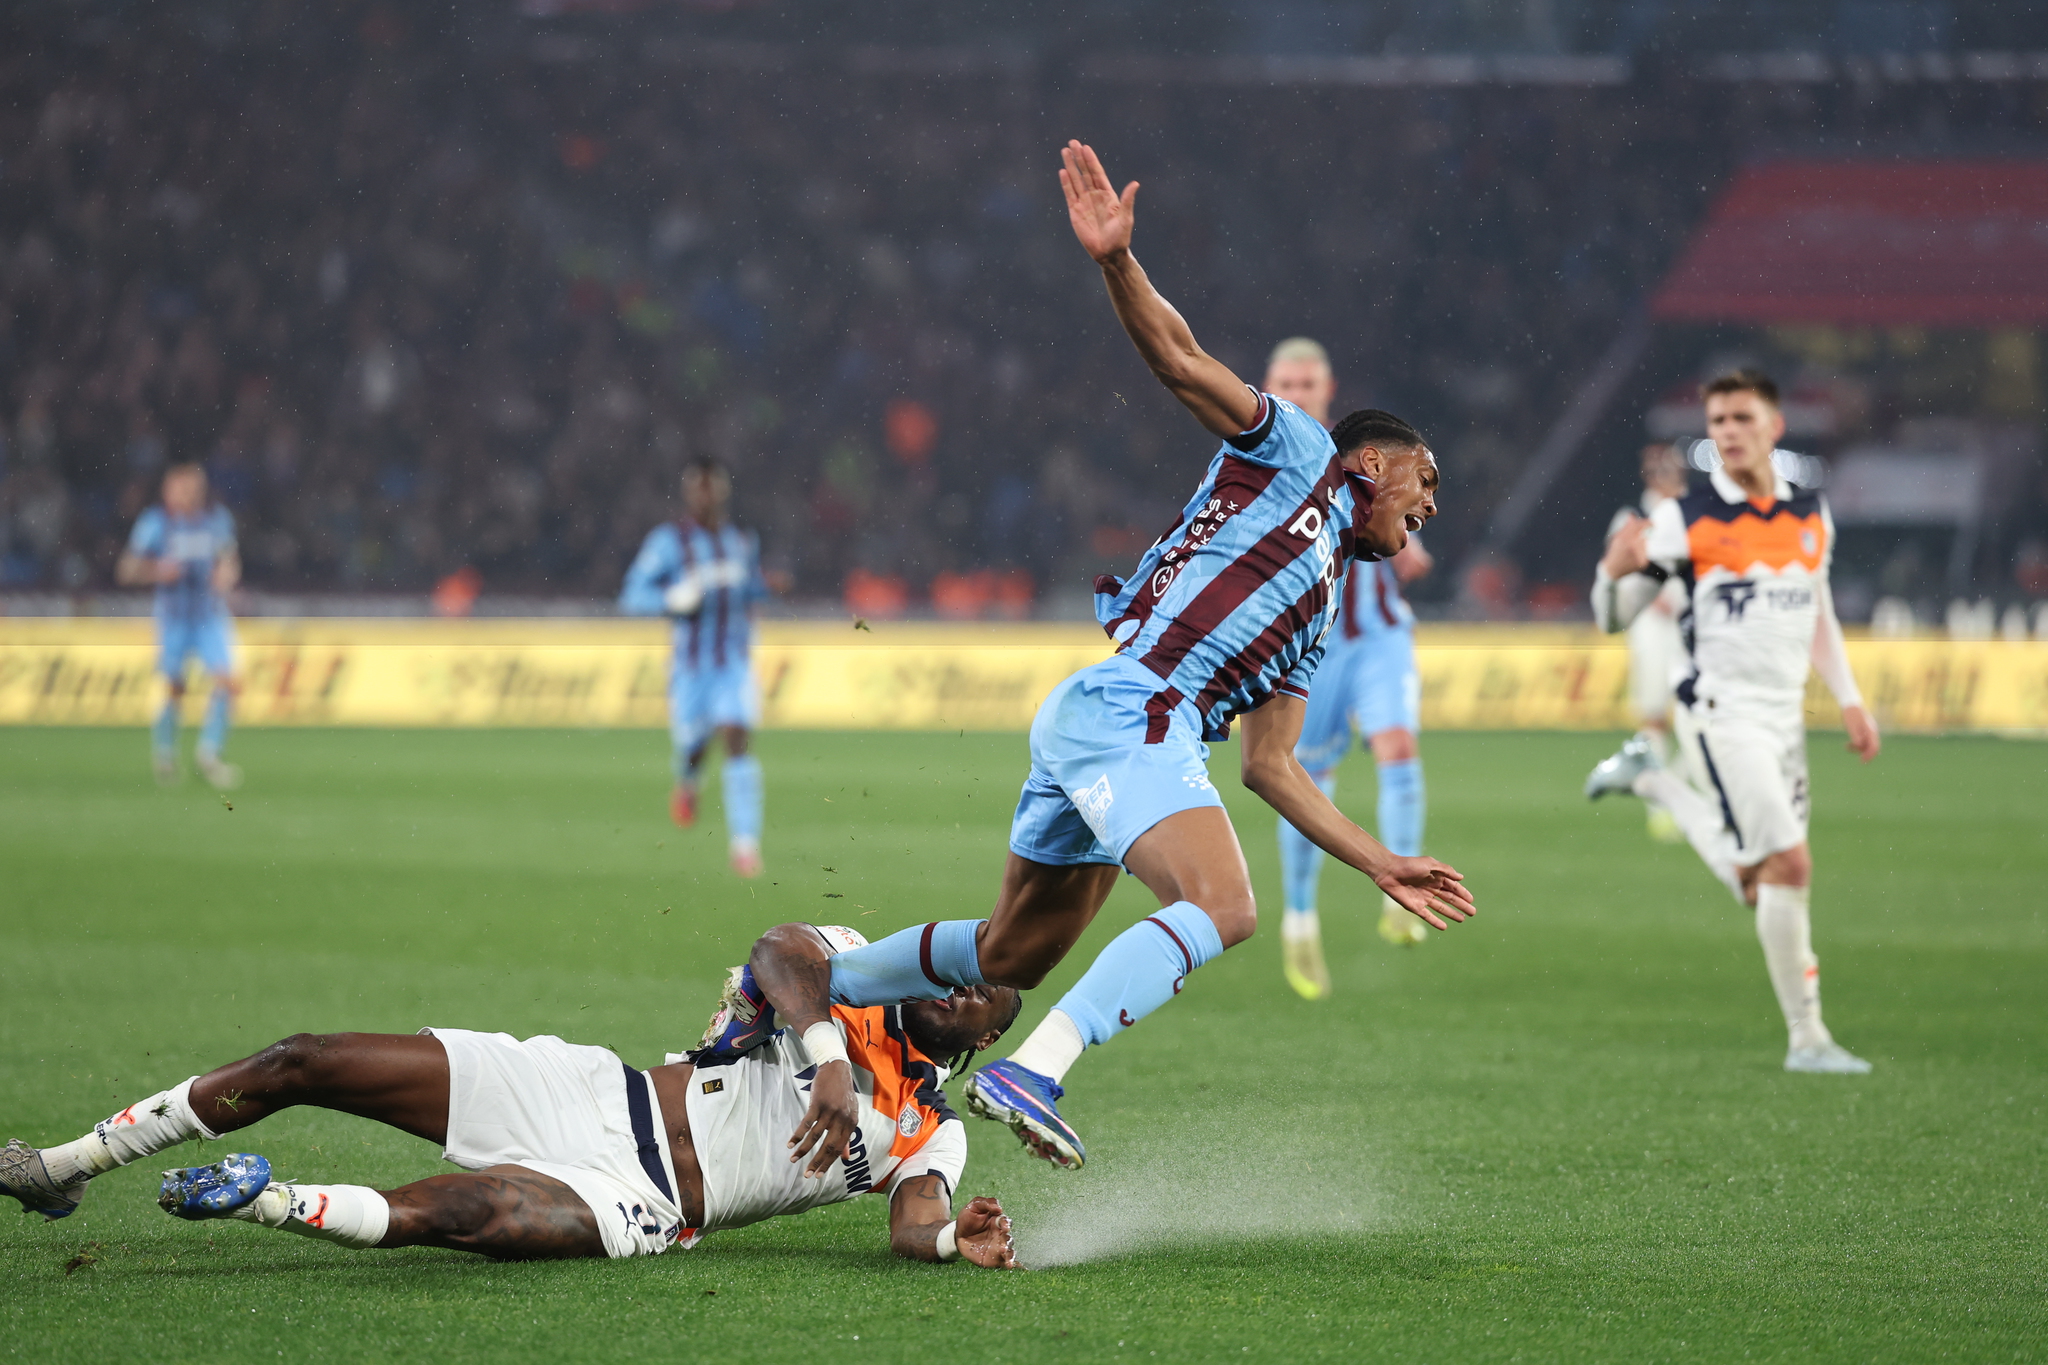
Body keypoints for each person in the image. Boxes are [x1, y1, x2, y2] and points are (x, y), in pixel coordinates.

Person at [810, 141, 1475, 1172]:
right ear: (1370, 462)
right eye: (1423, 480)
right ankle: (1034, 1070)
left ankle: (824, 988)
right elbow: (1177, 358)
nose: (1429, 506)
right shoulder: (1295, 449)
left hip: (1111, 718)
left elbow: (1270, 766)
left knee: (1008, 953)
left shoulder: (1318, 607)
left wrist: (1379, 861)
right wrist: (1116, 261)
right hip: (1134, 708)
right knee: (1221, 906)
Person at [0, 923, 1022, 1268]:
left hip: (648, 1207)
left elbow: (912, 1222)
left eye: (988, 991)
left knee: (473, 1216)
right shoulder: (853, 972)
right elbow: (776, 950)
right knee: (303, 1058)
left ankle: (262, 1197)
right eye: (966, 958)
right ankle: (63, 1169)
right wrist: (825, 1056)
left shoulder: (928, 1134)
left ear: (987, 1034)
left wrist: (946, 1241)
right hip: (582, 1091)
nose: (965, 983)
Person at [1585, 369, 1880, 1075]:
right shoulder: (1683, 518)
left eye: (1742, 418)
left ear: (1774, 427)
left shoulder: (1811, 512)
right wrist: (1610, 569)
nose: (1728, 432)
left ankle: (1655, 782)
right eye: (1717, 421)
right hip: (1722, 712)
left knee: (1762, 881)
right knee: (1793, 862)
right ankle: (1807, 1040)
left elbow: (1820, 613)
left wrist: (1850, 697)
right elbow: (1610, 617)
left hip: (1785, 720)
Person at [1262, 337, 1438, 1000]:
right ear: (1269, 385)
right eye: (1287, 382)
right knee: (1308, 780)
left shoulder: (1364, 455)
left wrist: (1407, 539)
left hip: (1379, 637)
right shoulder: (1262, 463)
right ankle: (1301, 920)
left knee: (1398, 745)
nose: (1298, 392)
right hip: (1313, 645)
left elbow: (1403, 510)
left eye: (1309, 382)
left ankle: (1401, 896)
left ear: (1327, 389)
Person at [619, 458, 774, 877]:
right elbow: (632, 595)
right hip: (690, 670)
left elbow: (752, 591)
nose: (706, 496)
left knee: (737, 735)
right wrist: (670, 600)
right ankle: (688, 781)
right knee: (695, 747)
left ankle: (745, 846)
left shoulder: (742, 540)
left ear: (722, 492)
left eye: (712, 488)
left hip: (733, 664)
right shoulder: (668, 542)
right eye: (698, 488)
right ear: (689, 494)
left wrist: (771, 586)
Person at [116, 461, 242, 789]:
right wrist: (157, 571)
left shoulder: (216, 520)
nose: (187, 495)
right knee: (174, 689)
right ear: (168, 491)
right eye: (181, 488)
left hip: (209, 617)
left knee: (228, 682)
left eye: (193, 488)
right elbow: (127, 569)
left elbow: (229, 560)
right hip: (173, 620)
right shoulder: (155, 523)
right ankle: (165, 756)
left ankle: (208, 755)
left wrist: (226, 575)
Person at [1591, 444, 1692, 844]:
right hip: (1650, 626)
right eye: (1657, 471)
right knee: (1654, 718)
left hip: (1693, 626)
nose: (1664, 477)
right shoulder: (1633, 516)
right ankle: (1660, 809)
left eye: (1670, 470)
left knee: (1702, 716)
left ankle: (1675, 790)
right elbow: (1613, 571)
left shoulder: (1693, 514)